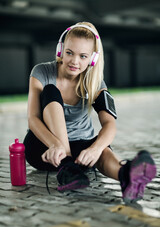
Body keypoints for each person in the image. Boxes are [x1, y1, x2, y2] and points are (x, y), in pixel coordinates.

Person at [23, 22, 156, 203]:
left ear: (92, 59)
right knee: (50, 91)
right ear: (61, 50)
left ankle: (126, 176)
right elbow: (33, 118)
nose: (74, 61)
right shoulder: (41, 72)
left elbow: (110, 124)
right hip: (43, 147)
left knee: (100, 148)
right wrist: (55, 145)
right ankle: (66, 167)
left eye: (83, 56)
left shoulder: (95, 83)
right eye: (69, 52)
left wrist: (95, 149)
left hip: (80, 149)